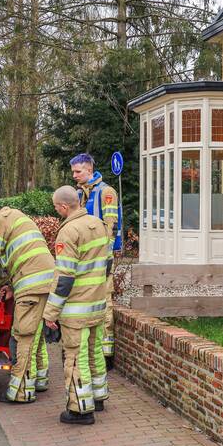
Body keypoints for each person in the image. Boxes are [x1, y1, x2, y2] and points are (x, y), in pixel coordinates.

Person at [44, 186, 112, 425]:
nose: (56, 210)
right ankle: (98, 397)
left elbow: (64, 277)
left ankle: (80, 409)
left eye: (56, 207)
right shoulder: (99, 224)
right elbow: (108, 263)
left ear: (64, 207)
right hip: (98, 303)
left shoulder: (68, 232)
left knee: (75, 357)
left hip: (76, 309)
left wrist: (50, 313)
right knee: (95, 352)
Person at [0, 205, 55, 402]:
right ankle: (39, 380)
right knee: (36, 334)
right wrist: (11, 286)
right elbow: (23, 256)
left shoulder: (0, 220)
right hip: (45, 282)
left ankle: (21, 392)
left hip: (31, 285)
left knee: (22, 336)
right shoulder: (18, 217)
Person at [70, 153, 121, 361]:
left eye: (78, 171)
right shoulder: (79, 193)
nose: (74, 175)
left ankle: (106, 352)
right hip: (85, 256)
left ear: (89, 170)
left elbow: (111, 226)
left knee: (104, 299)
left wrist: (105, 257)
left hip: (100, 257)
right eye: (73, 171)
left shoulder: (106, 192)